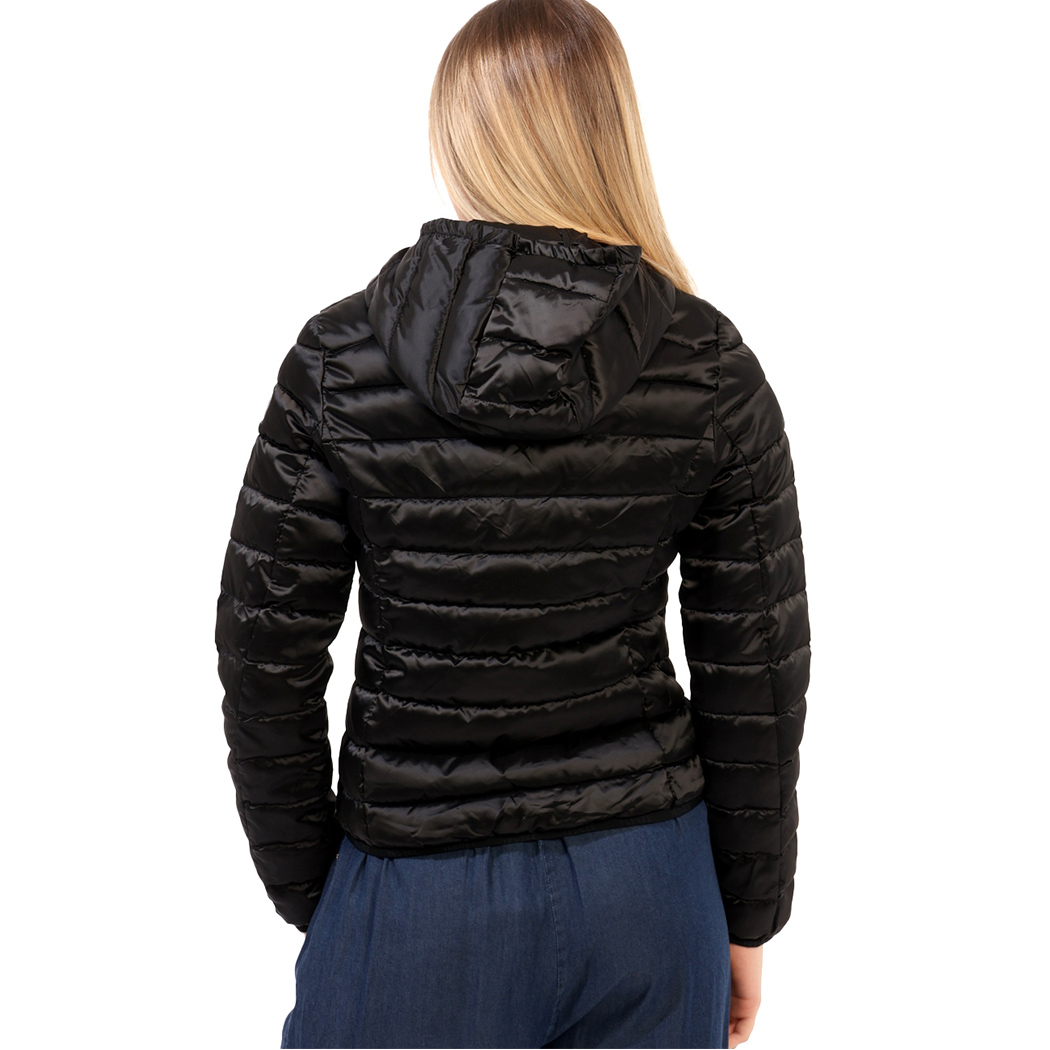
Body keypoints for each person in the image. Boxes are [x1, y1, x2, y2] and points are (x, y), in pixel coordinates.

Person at [214, 1, 810, 1047]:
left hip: (416, 883)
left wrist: (327, 891)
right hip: (650, 886)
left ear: (461, 135)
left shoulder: (339, 361)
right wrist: (746, 913)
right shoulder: (709, 364)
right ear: (609, 132)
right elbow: (754, 669)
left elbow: (265, 652)